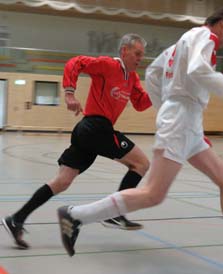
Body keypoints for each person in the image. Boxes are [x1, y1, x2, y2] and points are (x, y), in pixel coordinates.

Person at [57, 6, 223, 274]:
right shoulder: (206, 38)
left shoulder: (186, 39)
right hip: (181, 121)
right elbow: (199, 70)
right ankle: (75, 215)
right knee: (153, 194)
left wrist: (172, 112)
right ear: (222, 23)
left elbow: (153, 74)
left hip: (185, 122)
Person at [2, 33, 153, 249]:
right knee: (142, 164)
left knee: (62, 181)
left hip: (89, 133)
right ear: (124, 51)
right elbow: (76, 62)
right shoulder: (108, 65)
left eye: (142, 55)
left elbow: (140, 103)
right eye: (137, 53)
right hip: (95, 127)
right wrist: (69, 93)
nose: (140, 59)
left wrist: (161, 92)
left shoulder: (133, 78)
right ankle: (114, 212)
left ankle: (16, 219)